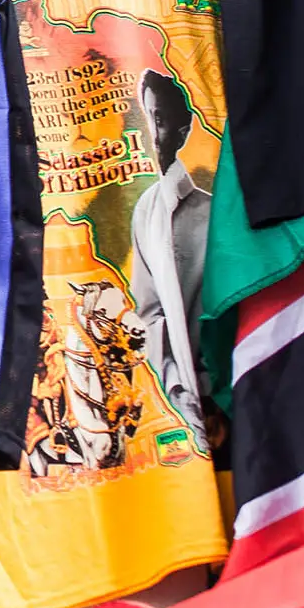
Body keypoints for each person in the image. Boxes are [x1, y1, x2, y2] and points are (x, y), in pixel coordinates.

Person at [127, 69, 212, 433]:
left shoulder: (212, 208)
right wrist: (177, 389)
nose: (150, 129)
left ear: (182, 130)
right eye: (145, 116)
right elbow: (149, 313)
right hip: (183, 403)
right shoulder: (146, 209)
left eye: (158, 119)